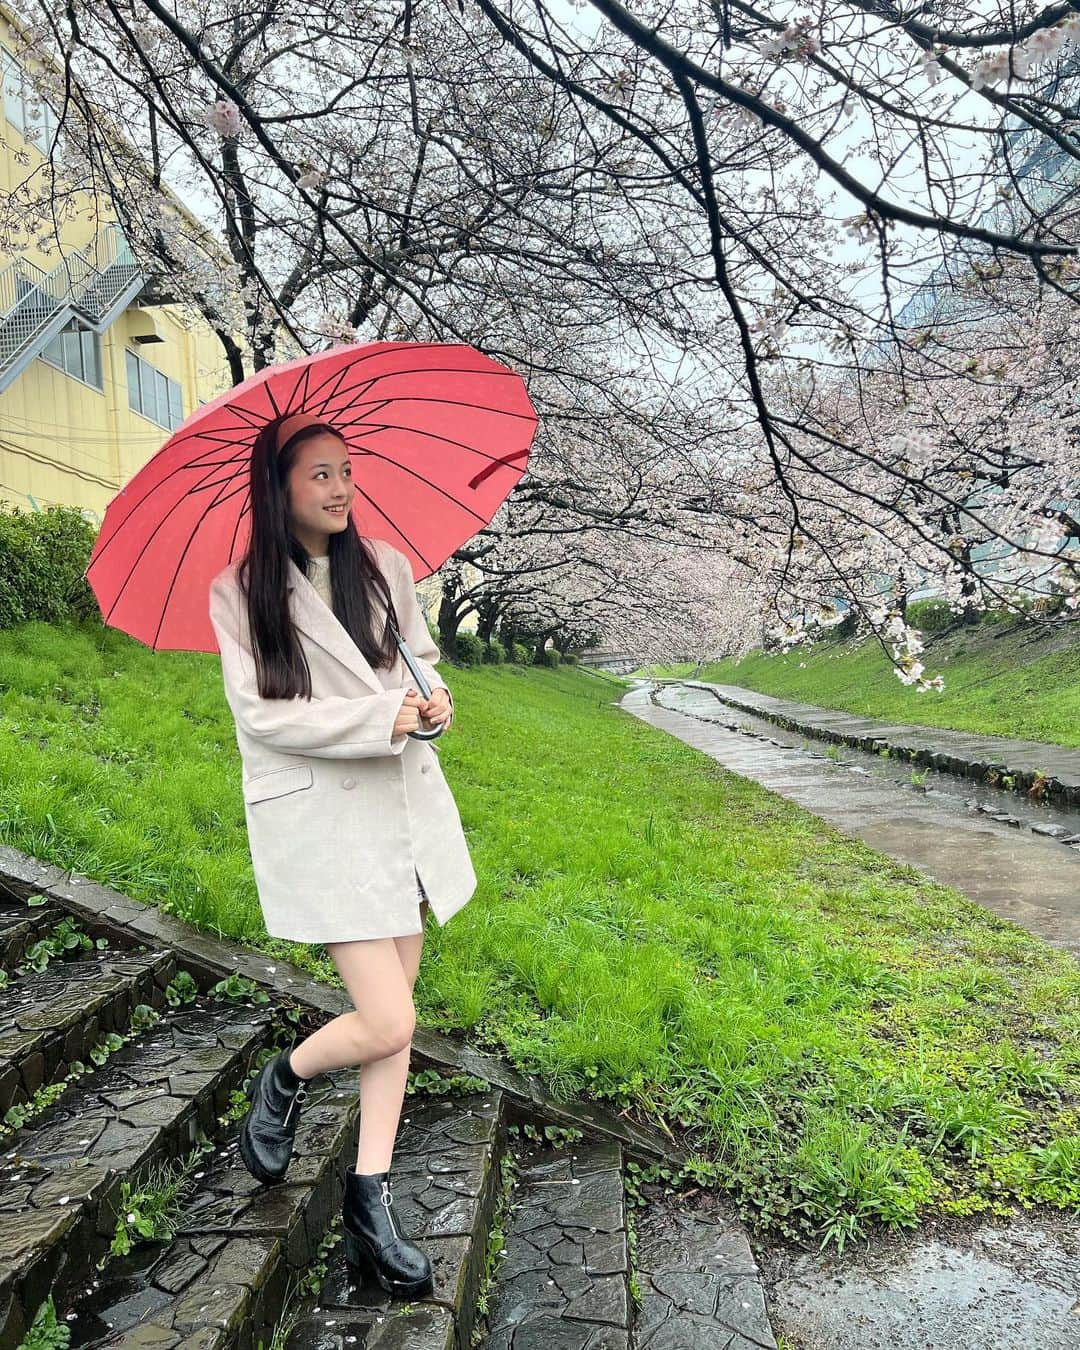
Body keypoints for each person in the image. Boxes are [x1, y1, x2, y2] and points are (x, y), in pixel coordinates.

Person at [207, 410, 477, 1299]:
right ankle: (282, 1077)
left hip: (401, 816)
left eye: (346, 471)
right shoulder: (241, 591)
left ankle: (369, 1201)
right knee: (391, 1020)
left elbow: (422, 664)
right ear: (278, 485)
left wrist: (432, 702)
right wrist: (376, 718)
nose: (339, 488)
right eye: (319, 473)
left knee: (393, 1026)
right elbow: (263, 716)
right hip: (325, 826)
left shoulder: (388, 570)